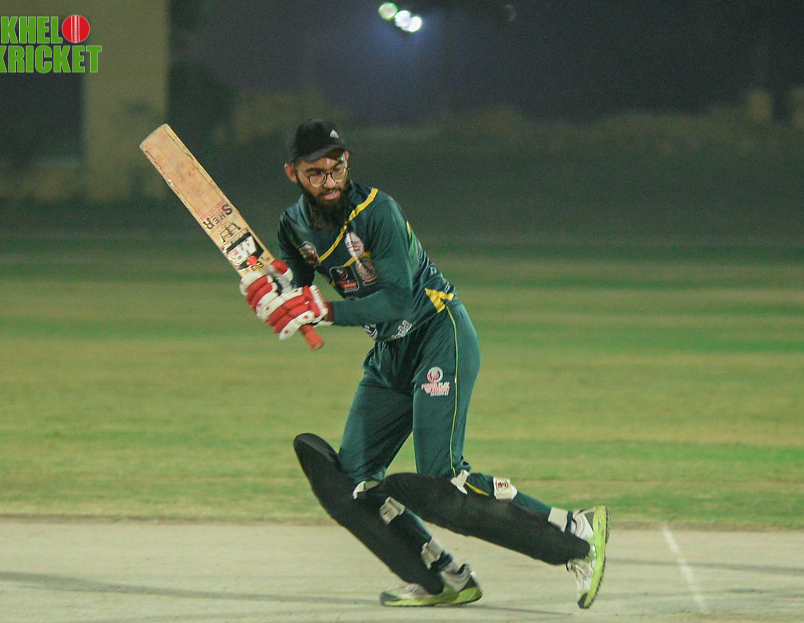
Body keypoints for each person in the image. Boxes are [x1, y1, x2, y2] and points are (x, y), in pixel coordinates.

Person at [240, 119, 609, 608]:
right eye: (316, 173)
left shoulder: (379, 212)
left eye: (337, 169)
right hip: (390, 353)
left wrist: (321, 310)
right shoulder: (293, 224)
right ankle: (443, 578)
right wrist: (271, 291)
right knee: (353, 483)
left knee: (443, 480)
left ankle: (574, 530)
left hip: (438, 332)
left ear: (348, 163)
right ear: (293, 173)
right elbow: (297, 285)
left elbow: (394, 300)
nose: (329, 182)